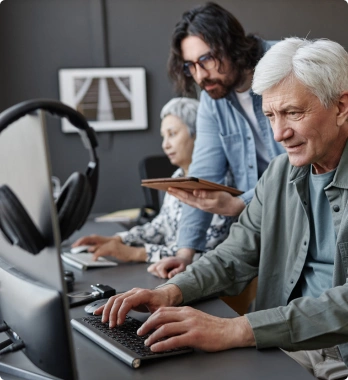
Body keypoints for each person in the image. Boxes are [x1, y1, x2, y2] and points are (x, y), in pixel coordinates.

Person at [95, 37, 348, 379]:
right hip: (277, 343)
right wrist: (171, 291)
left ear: (341, 107)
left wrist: (236, 330)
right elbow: (234, 255)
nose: (278, 133)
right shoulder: (278, 173)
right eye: (270, 116)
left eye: (292, 113)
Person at [148, 2, 284, 279]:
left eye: (206, 60)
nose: (200, 76)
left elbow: (301, 165)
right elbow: (203, 173)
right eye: (190, 66)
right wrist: (185, 253)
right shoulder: (213, 94)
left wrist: (242, 203)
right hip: (263, 227)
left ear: (231, 45)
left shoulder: (284, 64)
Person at [72, 97, 232, 264]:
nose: (165, 145)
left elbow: (204, 253)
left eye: (172, 134)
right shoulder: (178, 176)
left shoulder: (219, 184)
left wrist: (135, 253)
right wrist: (119, 240)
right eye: (164, 136)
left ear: (199, 135)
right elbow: (161, 226)